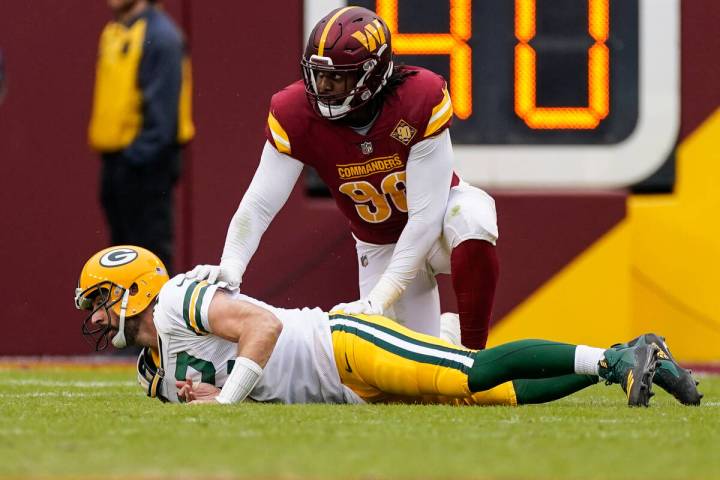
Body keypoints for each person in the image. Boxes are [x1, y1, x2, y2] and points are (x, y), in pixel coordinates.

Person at [185, 6, 497, 349]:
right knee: (406, 380)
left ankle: (473, 352)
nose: (324, 86)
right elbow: (259, 204)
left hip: (436, 226)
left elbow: (424, 219)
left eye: (337, 76)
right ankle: (444, 339)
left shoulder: (419, 98)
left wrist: (380, 298)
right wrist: (232, 265)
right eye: (317, 75)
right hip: (379, 243)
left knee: (472, 220)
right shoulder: (295, 113)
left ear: (373, 73)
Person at [75, 245, 702, 407]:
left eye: (101, 301)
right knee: (487, 396)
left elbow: (261, 327)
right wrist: (219, 396)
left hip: (341, 347)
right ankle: (619, 361)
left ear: (133, 290)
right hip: (343, 390)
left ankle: (618, 360)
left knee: (471, 373)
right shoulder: (152, 372)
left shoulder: (177, 301)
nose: (98, 318)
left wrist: (225, 401)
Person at [87, 0, 194, 272]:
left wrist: (133, 160)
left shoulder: (161, 37)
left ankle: (158, 315)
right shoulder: (115, 31)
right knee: (119, 263)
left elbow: (162, 123)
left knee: (150, 262)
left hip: (146, 169)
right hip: (117, 165)